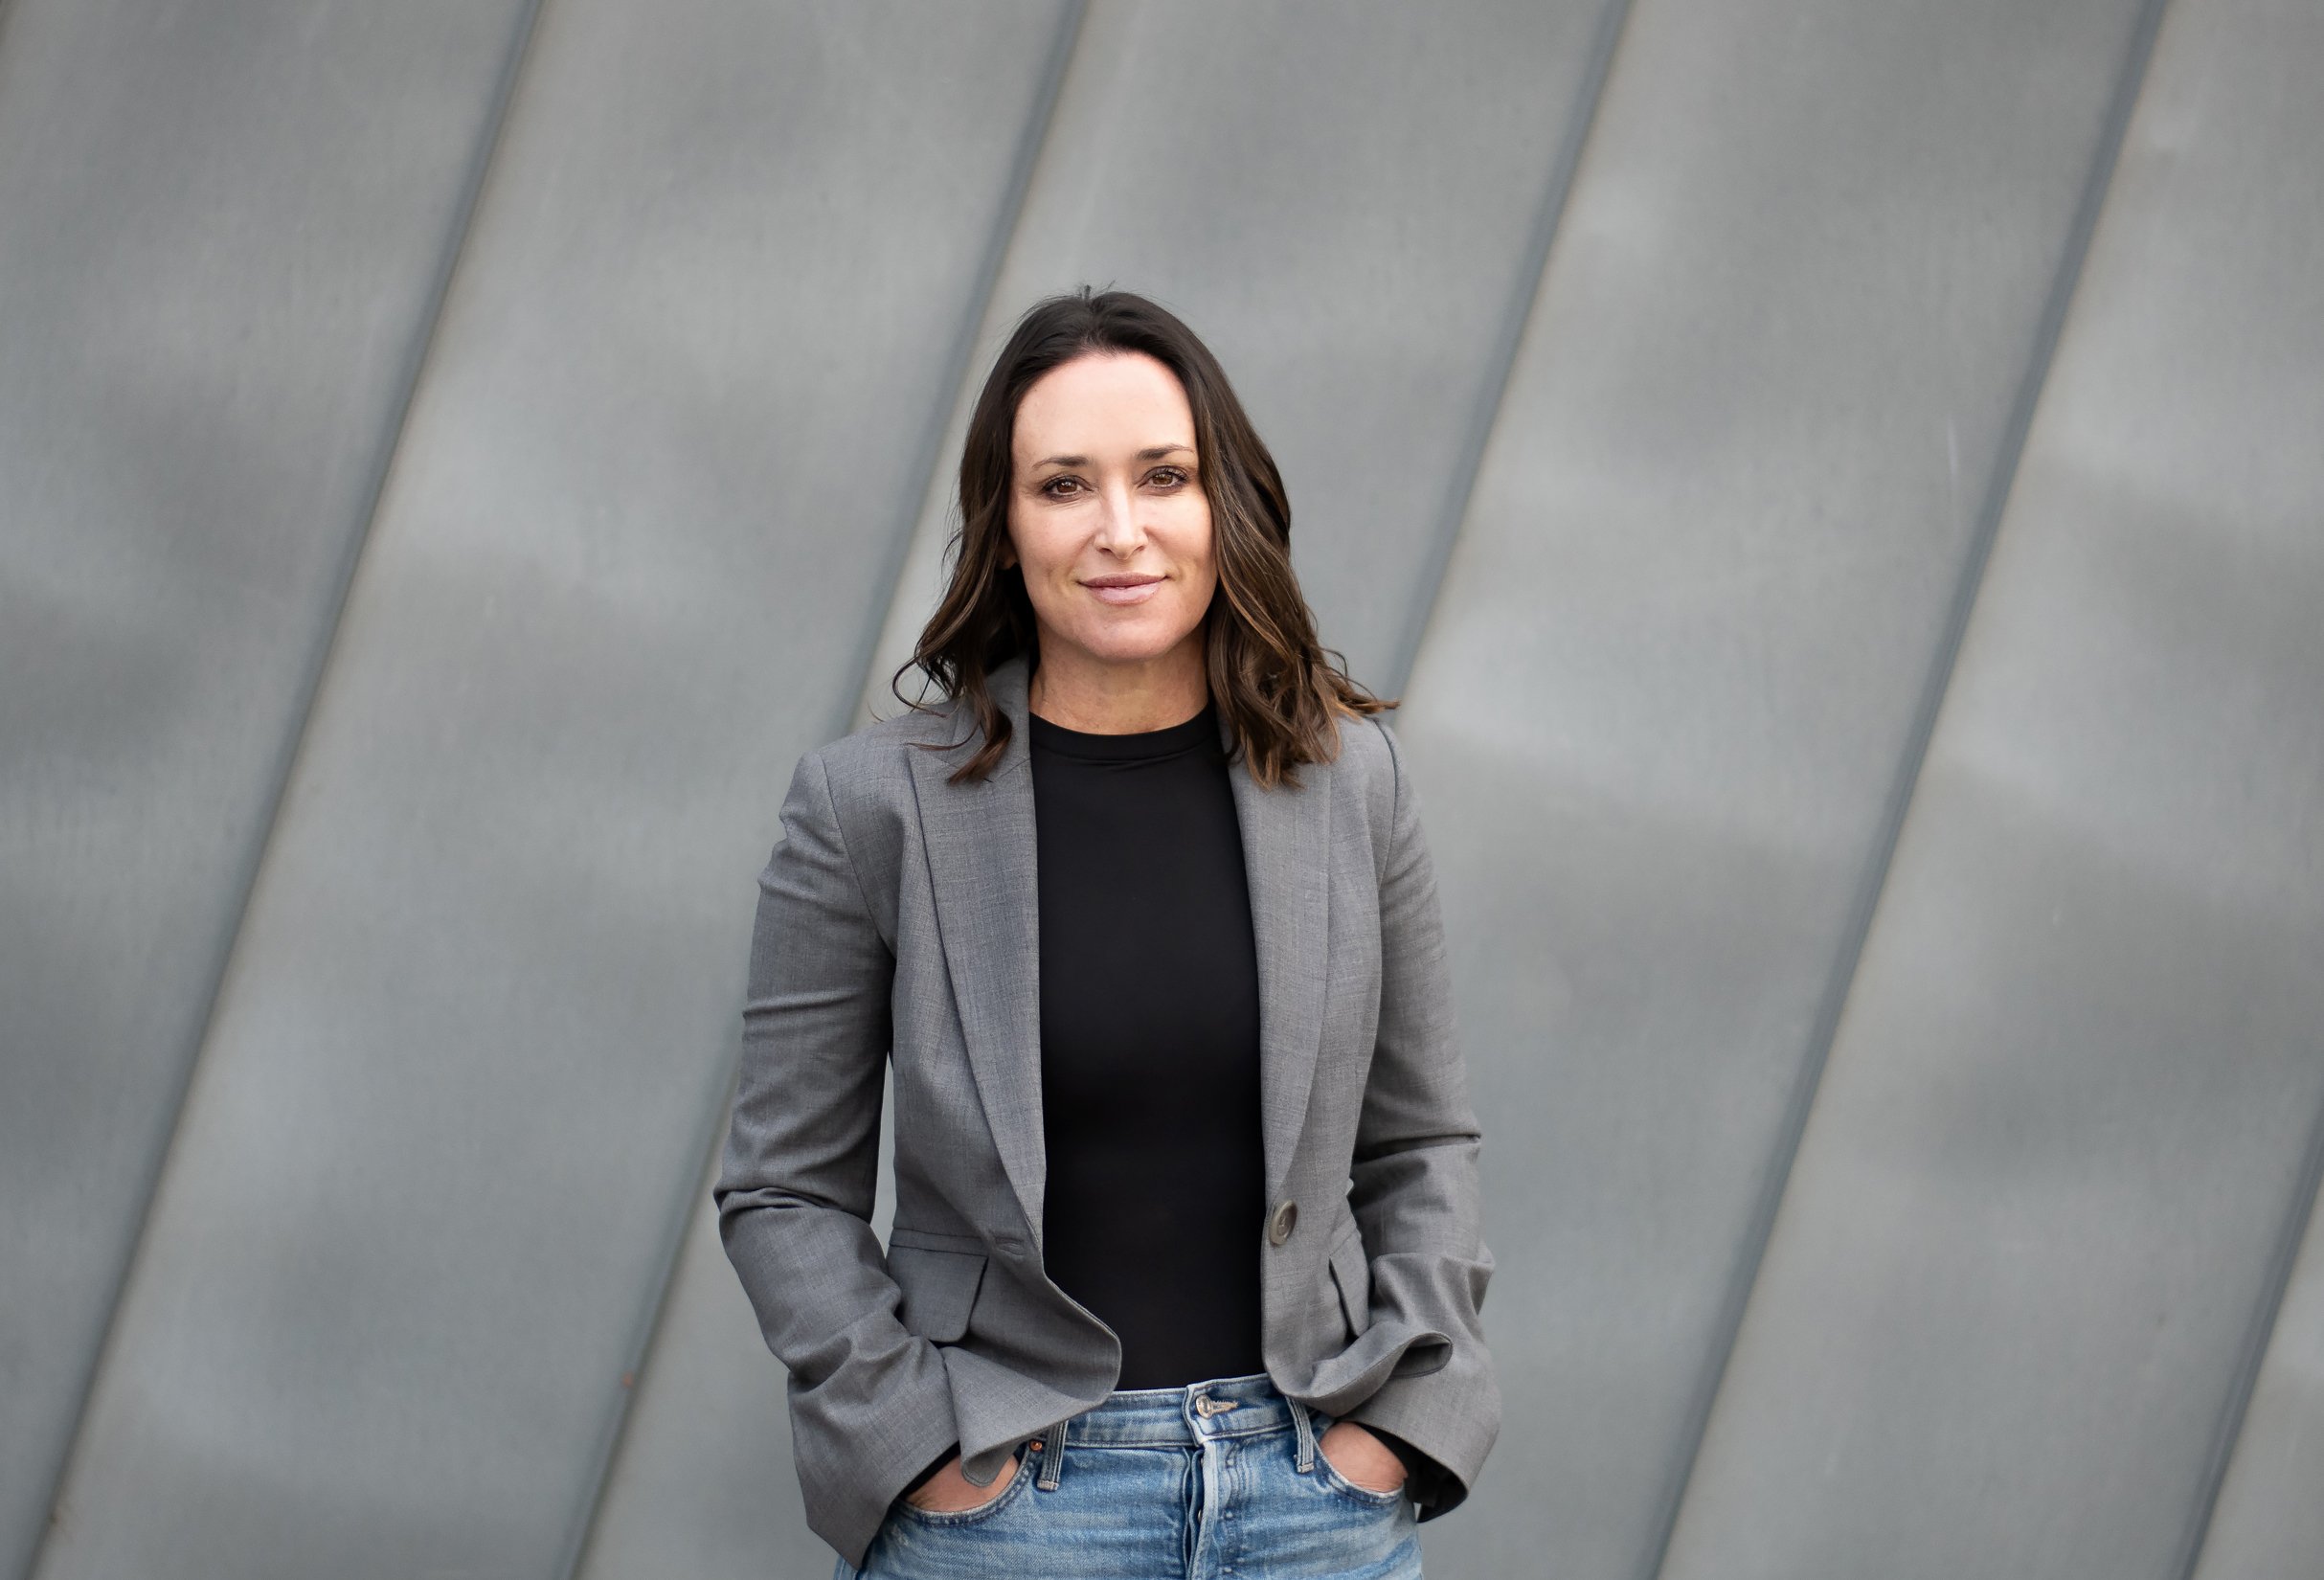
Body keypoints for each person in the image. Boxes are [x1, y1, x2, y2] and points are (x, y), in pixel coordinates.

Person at [716, 287, 1498, 1578]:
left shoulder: (1354, 784)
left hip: (1314, 1500)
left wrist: (1403, 1428)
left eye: (1164, 477)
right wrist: (916, 1452)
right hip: (1009, 1508)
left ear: (1224, 504)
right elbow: (783, 1187)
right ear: (1004, 525)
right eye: (1065, 485)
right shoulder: (869, 808)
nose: (1120, 530)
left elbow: (1420, 1141)